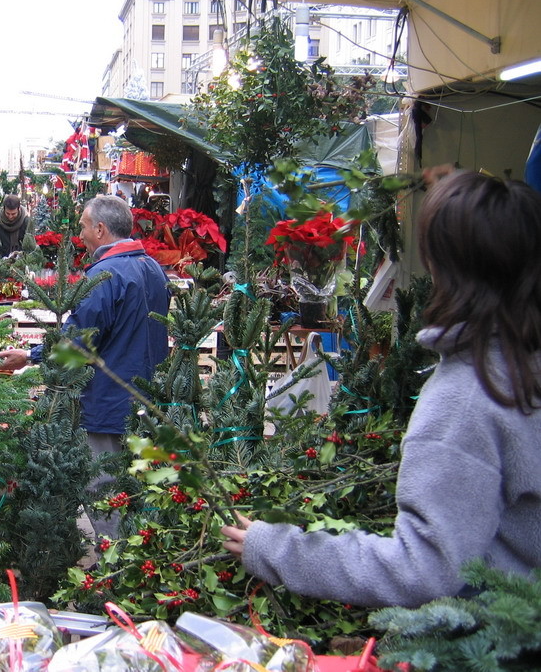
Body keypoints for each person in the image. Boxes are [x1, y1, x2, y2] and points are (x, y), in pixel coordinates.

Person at [222, 171, 541, 609]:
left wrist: (277, 548)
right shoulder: (522, 365)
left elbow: (425, 569)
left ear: (441, 264)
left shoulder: (468, 397)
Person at [0, 194, 170, 536]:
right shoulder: (152, 268)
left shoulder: (106, 275)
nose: (81, 234)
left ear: (101, 229)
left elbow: (80, 339)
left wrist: (28, 356)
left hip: (108, 402)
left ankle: (116, 564)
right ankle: (143, 560)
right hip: (148, 399)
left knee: (102, 487)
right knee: (138, 488)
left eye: (84, 226)